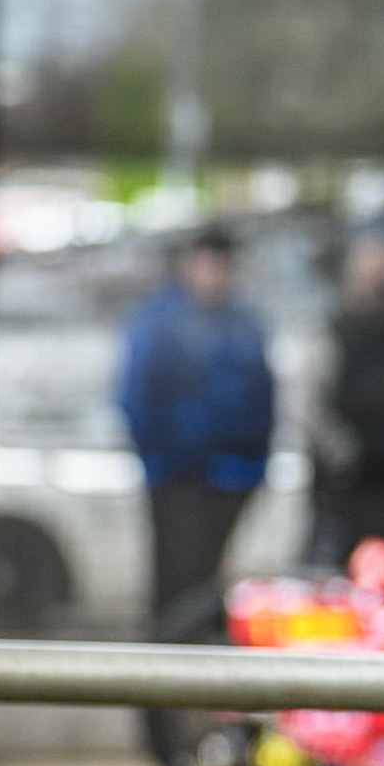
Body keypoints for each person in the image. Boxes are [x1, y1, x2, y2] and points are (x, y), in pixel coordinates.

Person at [118, 225, 274, 640]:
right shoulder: (161, 322)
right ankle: (162, 691)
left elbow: (263, 398)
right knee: (175, 586)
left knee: (204, 585)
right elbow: (139, 399)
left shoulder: (241, 323)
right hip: (178, 481)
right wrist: (167, 463)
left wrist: (252, 467)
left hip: (228, 478)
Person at [315, 231, 384, 561]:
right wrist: (341, 452)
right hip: (352, 492)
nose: (379, 282)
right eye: (369, 274)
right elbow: (312, 407)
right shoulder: (333, 330)